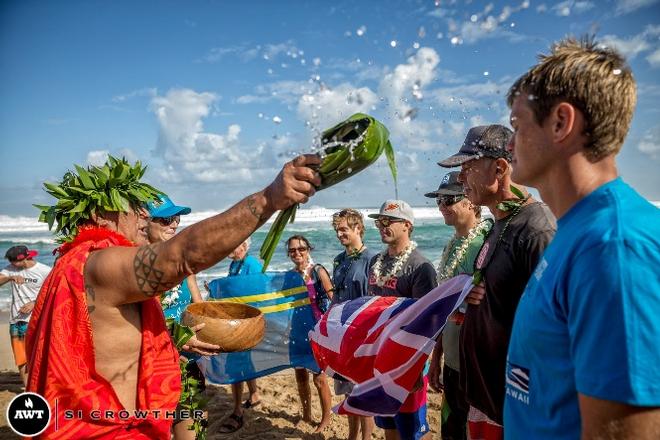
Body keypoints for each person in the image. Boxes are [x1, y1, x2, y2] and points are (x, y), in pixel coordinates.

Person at [26, 153, 321, 438]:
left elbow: (110, 335)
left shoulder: (74, 265)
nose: (143, 213)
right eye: (132, 205)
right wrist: (269, 199)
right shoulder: (100, 262)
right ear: (98, 215)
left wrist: (176, 336)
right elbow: (182, 256)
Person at [503, 37, 660, 439]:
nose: (509, 143)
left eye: (517, 126)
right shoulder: (578, 229)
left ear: (560, 122)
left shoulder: (612, 246)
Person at [437, 125, 556, 440]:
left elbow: (555, 330)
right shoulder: (500, 223)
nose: (461, 179)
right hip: (485, 399)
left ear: (501, 167)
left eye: (467, 168)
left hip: (516, 410)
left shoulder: (537, 230)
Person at [425, 172, 491, 440]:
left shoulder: (489, 239)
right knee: (451, 429)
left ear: (471, 202)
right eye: (439, 200)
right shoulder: (452, 244)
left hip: (478, 361)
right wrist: (436, 357)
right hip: (453, 355)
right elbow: (446, 308)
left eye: (449, 199)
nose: (442, 206)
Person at [367, 200, 438, 440]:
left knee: (414, 429)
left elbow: (428, 323)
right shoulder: (376, 262)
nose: (381, 226)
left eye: (388, 221)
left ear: (407, 225)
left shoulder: (421, 267)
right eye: (379, 221)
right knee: (389, 426)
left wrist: (418, 367)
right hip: (380, 358)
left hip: (407, 362)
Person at [145, 195, 206, 440]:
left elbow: (198, 306)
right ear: (144, 223)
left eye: (176, 219)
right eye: (166, 219)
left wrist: (213, 330)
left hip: (188, 357)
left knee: (195, 422)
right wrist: (174, 340)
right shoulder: (136, 267)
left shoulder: (183, 260)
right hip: (155, 358)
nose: (173, 224)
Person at [330, 208, 376, 440]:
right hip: (340, 334)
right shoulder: (339, 260)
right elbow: (335, 297)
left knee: (362, 391)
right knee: (346, 391)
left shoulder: (372, 259)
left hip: (362, 334)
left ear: (358, 228)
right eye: (337, 230)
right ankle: (351, 436)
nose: (339, 234)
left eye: (344, 229)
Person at [286, 234, 334, 432]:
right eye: (292, 250)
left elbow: (334, 300)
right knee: (300, 375)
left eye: (301, 249)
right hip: (296, 330)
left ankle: (326, 419)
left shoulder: (318, 271)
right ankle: (306, 414)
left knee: (319, 378)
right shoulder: (289, 276)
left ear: (309, 250)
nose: (297, 253)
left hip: (317, 331)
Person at [218, 237, 263, 434]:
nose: (227, 246)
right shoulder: (234, 264)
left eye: (233, 244)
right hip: (237, 322)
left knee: (235, 365)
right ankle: (254, 394)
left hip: (246, 323)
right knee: (244, 361)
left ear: (244, 246)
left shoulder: (251, 264)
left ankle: (237, 410)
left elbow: (258, 290)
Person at [0, 246, 51, 386]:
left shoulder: (44, 271)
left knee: (40, 356)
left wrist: (34, 303)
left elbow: (52, 292)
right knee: (21, 358)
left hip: (37, 320)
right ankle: (28, 388)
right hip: (17, 321)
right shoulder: (10, 269)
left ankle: (42, 387)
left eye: (14, 261)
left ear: (24, 258)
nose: (12, 264)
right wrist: (10, 277)